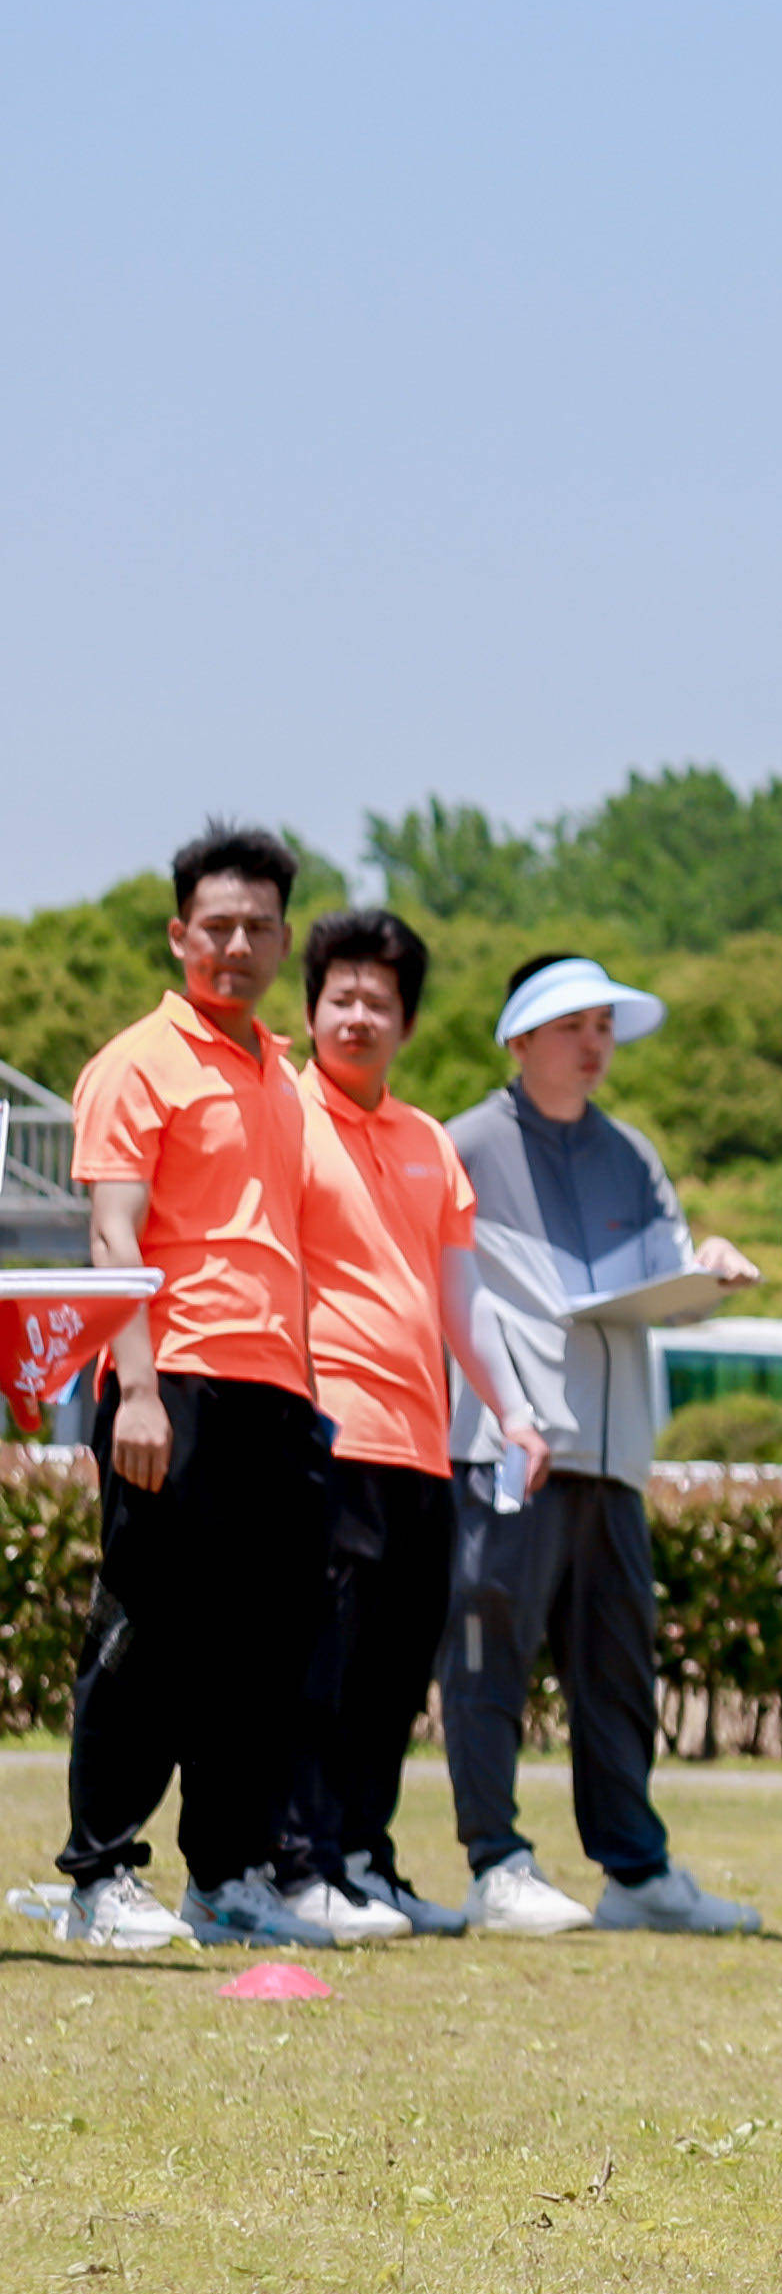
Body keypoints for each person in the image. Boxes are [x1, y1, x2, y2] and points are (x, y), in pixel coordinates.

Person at [46, 825, 333, 1956]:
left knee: (264, 1648)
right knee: (151, 1628)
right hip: (178, 1381)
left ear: (282, 939)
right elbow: (114, 1230)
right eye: (217, 925)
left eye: (259, 927)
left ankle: (227, 1876)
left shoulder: (282, 1072)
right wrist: (141, 1391)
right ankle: (100, 1872)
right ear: (180, 934)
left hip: (277, 1390)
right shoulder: (137, 1062)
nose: (238, 945)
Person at [444, 952, 763, 1935]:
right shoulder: (462, 1145)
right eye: (574, 1025)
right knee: (488, 1652)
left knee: (620, 1665)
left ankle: (636, 1869)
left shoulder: (633, 1152)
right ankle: (495, 1859)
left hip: (618, 1455)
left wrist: (709, 1264)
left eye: (605, 1027)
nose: (594, 1044)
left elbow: (669, 1270)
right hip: (512, 1441)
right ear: (521, 1037)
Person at [274, 910, 555, 1939]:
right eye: (340, 995)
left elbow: (460, 1290)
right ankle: (298, 1860)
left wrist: (515, 1407)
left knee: (394, 1671)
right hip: (323, 1434)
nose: (357, 1015)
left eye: (378, 1001)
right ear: (309, 1010)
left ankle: (363, 1856)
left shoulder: (430, 1138)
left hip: (420, 1442)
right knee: (322, 1663)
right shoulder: (283, 1118)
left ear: (408, 1021)